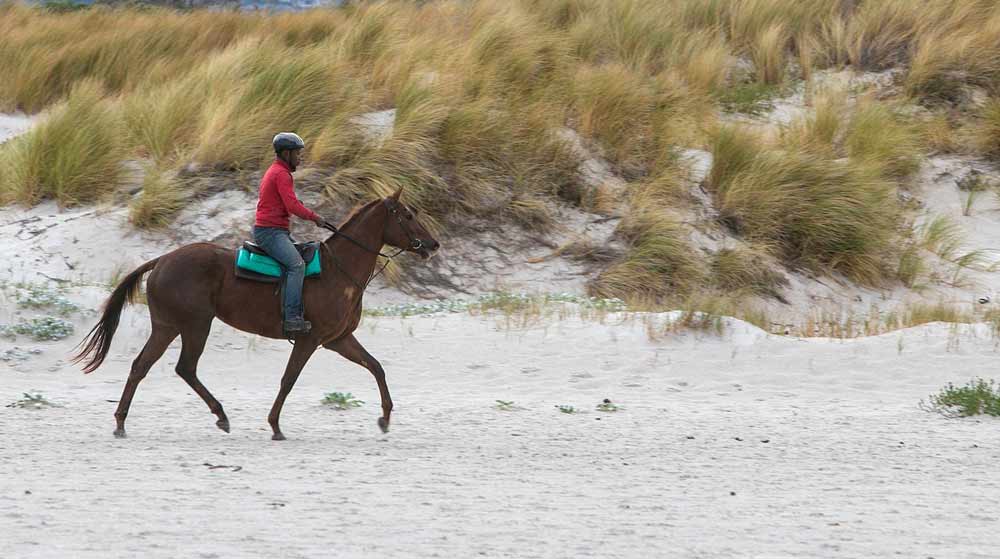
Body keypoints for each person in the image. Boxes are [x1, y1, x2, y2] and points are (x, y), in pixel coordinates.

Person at [252, 132, 327, 336]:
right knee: (296, 265)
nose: (299, 158)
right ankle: (292, 318)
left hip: (276, 231)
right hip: (270, 232)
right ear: (286, 154)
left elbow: (287, 202)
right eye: (297, 153)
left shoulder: (276, 171)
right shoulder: (281, 174)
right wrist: (315, 218)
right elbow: (291, 205)